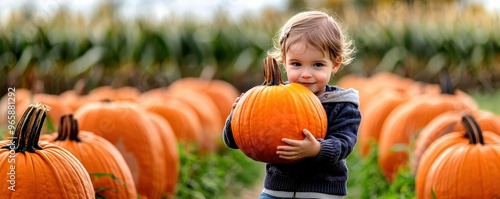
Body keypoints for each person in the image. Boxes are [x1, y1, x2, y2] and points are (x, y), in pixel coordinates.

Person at [223, 10, 361, 199]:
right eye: (296, 64)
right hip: (276, 191)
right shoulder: (272, 100)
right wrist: (236, 117)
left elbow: (345, 143)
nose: (306, 73)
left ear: (335, 64)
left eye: (317, 65)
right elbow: (233, 141)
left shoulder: (342, 104)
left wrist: (317, 150)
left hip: (321, 192)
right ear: (284, 61)